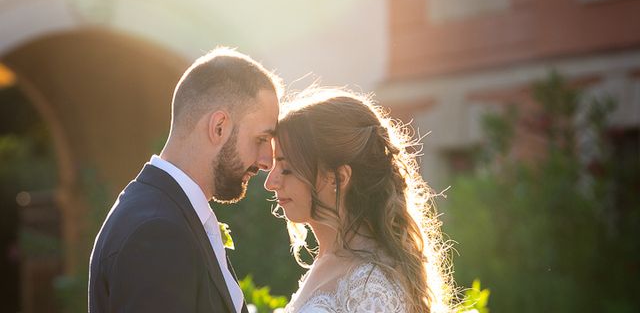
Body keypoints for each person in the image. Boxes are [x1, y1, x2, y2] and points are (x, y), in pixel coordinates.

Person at [89, 47, 281, 313]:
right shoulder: (157, 232)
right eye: (261, 139)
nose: (266, 161)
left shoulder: (168, 214)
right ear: (219, 127)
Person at [265, 89, 454, 313]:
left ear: (339, 177)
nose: (270, 182)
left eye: (286, 168)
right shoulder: (328, 261)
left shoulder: (370, 286)